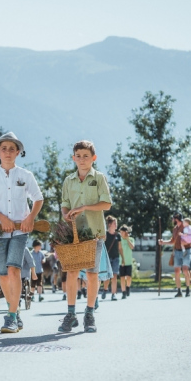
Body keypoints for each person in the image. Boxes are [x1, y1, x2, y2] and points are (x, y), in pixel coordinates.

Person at [0, 131, 44, 333]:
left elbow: (38, 198)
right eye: (4, 148)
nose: (7, 152)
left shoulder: (26, 175)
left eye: (12, 149)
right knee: (2, 274)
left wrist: (30, 218)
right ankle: (14, 311)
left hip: (20, 231)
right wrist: (3, 219)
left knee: (13, 269)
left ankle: (10, 317)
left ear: (18, 152)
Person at [58, 140, 112, 333]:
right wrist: (66, 214)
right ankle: (71, 314)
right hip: (74, 234)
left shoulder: (99, 178)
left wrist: (84, 207)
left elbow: (107, 204)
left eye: (86, 156)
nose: (82, 159)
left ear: (93, 158)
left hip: (94, 232)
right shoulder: (68, 180)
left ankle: (89, 314)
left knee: (92, 273)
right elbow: (65, 203)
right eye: (78, 156)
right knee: (72, 272)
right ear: (74, 158)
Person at [159, 212, 191, 298]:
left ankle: (188, 289)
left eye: (173, 218)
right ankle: (179, 291)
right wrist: (163, 242)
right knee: (177, 271)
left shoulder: (186, 228)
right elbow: (172, 241)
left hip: (186, 250)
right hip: (177, 251)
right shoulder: (174, 229)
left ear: (176, 219)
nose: (172, 220)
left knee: (185, 270)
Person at [102, 215, 121, 301]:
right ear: (109, 224)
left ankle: (113, 294)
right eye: (114, 223)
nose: (116, 225)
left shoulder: (118, 235)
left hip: (116, 257)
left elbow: (120, 248)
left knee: (114, 276)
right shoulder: (105, 234)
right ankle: (105, 289)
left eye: (116, 223)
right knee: (107, 276)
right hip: (107, 258)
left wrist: (123, 258)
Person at [118, 225, 135, 298]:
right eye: (120, 232)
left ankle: (128, 287)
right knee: (122, 277)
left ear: (126, 232)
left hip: (128, 262)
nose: (121, 234)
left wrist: (127, 239)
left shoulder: (131, 239)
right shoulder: (119, 240)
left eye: (122, 232)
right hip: (121, 262)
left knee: (128, 277)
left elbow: (132, 247)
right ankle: (123, 292)